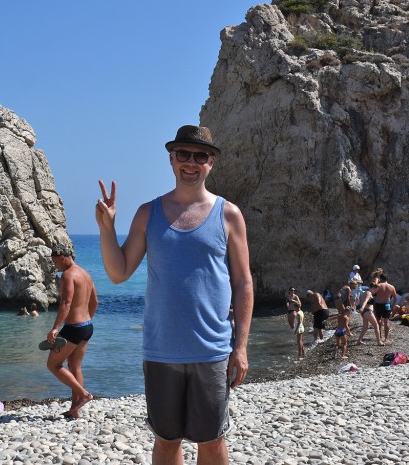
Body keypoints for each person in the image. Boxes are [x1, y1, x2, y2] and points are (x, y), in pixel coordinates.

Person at [96, 125, 253, 465]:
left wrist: (239, 346)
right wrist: (107, 229)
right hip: (161, 350)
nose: (191, 162)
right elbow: (118, 272)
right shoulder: (147, 213)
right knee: (166, 440)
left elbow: (243, 283)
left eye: (200, 156)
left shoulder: (229, 214)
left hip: (212, 350)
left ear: (211, 162)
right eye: (183, 154)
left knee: (212, 441)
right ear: (171, 158)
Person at [42, 245, 98, 419]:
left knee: (53, 365)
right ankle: (75, 410)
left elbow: (66, 303)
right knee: (75, 367)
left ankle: (84, 394)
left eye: (56, 262)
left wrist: (55, 328)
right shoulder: (85, 274)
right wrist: (87, 318)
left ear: (63, 258)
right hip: (87, 326)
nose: (55, 266)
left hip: (73, 328)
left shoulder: (68, 275)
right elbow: (95, 301)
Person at [372, 274, 398, 344]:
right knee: (386, 321)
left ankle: (379, 336)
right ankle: (386, 339)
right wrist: (392, 306)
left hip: (378, 304)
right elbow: (395, 299)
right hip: (387, 304)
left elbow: (372, 293)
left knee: (378, 320)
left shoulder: (379, 285)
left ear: (381, 279)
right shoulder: (391, 287)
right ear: (387, 279)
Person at [355, 281, 382, 346]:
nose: (376, 292)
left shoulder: (364, 293)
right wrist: (362, 308)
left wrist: (362, 308)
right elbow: (365, 301)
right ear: (373, 288)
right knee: (376, 326)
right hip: (367, 311)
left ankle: (359, 341)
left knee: (365, 327)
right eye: (376, 290)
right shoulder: (369, 293)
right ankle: (379, 342)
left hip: (365, 312)